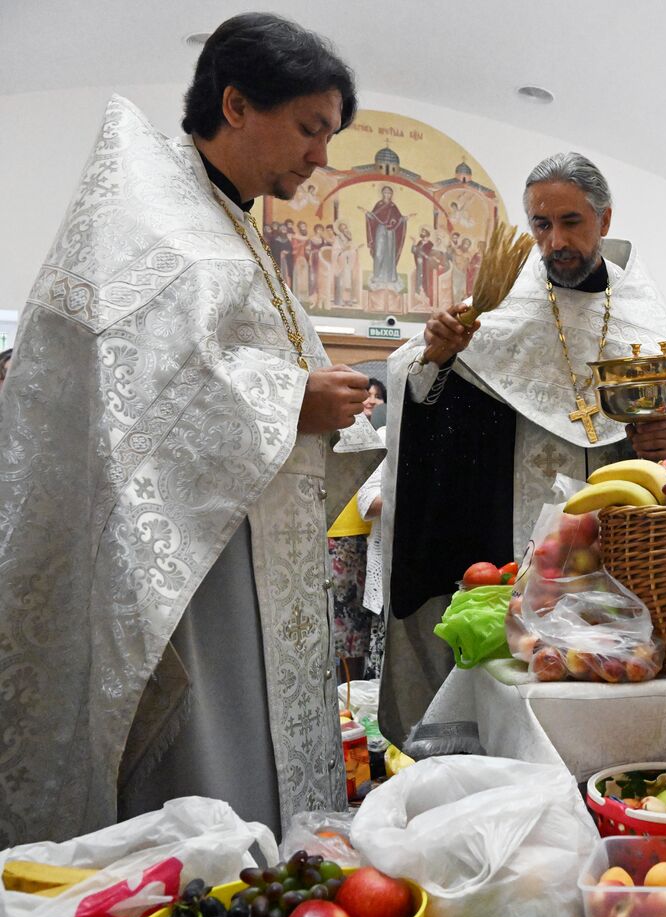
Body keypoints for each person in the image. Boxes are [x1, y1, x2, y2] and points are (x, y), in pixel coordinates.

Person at [0, 13, 382, 847]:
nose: (322, 155)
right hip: (186, 567)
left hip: (250, 545)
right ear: (237, 103)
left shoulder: (229, 220)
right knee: (211, 759)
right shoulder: (153, 220)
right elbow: (138, 390)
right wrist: (291, 400)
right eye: (311, 128)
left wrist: (324, 404)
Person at [378, 152, 666, 741]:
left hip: (620, 538)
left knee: (612, 670)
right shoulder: (503, 303)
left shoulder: (647, 312)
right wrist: (435, 354)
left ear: (604, 219)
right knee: (526, 674)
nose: (555, 240)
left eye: (571, 222)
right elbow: (413, 383)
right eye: (541, 225)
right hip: (510, 528)